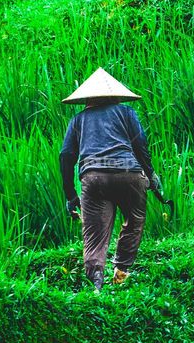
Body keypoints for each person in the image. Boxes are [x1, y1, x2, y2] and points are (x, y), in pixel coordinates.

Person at [59, 68, 161, 291]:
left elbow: (66, 156)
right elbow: (140, 145)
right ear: (115, 95)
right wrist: (151, 174)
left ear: (87, 98)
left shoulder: (78, 120)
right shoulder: (126, 113)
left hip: (93, 179)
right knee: (134, 219)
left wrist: (70, 195)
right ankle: (121, 270)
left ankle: (97, 285)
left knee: (95, 234)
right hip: (129, 175)